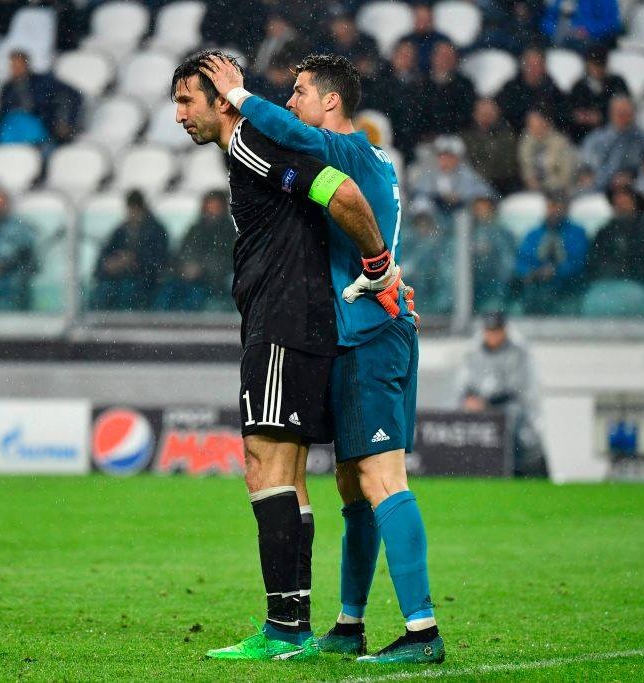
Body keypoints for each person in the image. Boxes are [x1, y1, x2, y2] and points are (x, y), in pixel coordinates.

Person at [200, 52, 439, 665]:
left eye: (301, 91)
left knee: (383, 478)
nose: (292, 101)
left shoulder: (353, 152)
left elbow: (295, 137)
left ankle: (422, 631)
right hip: (350, 334)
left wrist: (239, 95)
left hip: (372, 332)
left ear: (331, 101)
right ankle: (348, 624)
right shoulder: (362, 159)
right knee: (352, 488)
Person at [458, 312, 545, 476]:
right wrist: (470, 398)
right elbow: (464, 382)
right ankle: (466, 469)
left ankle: (513, 470)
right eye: (489, 331)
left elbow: (517, 389)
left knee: (515, 419)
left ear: (504, 330)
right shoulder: (473, 351)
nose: (493, 335)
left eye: (496, 331)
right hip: (478, 407)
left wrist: (487, 403)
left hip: (511, 407)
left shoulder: (518, 351)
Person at [156, 190, 235, 311]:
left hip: (212, 282)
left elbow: (227, 260)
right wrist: (185, 267)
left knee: (194, 298)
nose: (212, 211)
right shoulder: (195, 230)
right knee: (167, 293)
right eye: (209, 206)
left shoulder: (229, 232)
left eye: (216, 207)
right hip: (185, 278)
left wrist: (202, 269)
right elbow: (181, 253)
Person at [92, 190, 169, 311]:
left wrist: (134, 260)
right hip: (118, 279)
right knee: (104, 289)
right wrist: (108, 265)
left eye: (135, 210)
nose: (132, 214)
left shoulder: (155, 231)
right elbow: (104, 258)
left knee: (127, 289)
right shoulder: (121, 231)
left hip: (144, 282)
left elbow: (158, 262)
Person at [515, 192, 589, 314]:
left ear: (566, 209)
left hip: (569, 291)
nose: (554, 211)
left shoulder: (576, 233)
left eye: (558, 207)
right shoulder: (534, 235)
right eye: (551, 206)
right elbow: (521, 261)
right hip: (536, 291)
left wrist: (556, 271)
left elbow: (579, 263)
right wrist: (533, 272)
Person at [0, 50, 81, 145]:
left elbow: (70, 95)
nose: (16, 68)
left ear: (26, 64)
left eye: (19, 64)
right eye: (13, 65)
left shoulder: (44, 82)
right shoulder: (7, 89)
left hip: (46, 133)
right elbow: (3, 115)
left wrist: (64, 121)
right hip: (15, 138)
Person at [581, 96, 644, 191]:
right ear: (611, 114)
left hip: (633, 192)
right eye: (619, 113)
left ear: (633, 114)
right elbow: (585, 167)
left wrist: (632, 176)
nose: (623, 117)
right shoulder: (594, 139)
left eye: (627, 113)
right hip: (598, 192)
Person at [586, 186, 644, 285]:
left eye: (625, 202)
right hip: (608, 284)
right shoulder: (605, 232)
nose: (621, 205)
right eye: (617, 203)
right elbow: (595, 261)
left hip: (640, 286)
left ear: (635, 203)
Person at [411, 135, 496, 213]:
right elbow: (419, 192)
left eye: (451, 157)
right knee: (421, 205)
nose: (446, 161)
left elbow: (482, 189)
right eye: (443, 156)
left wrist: (464, 197)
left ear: (458, 159)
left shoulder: (465, 172)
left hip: (459, 211)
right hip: (435, 211)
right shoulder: (429, 171)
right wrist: (438, 197)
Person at [496, 46, 568, 132]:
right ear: (523, 66)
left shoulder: (553, 90)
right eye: (530, 65)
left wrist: (541, 121)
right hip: (515, 136)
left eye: (537, 65)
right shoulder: (511, 88)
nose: (533, 69)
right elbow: (503, 112)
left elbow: (562, 116)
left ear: (544, 67)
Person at [566, 46, 628, 143]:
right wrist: (579, 116)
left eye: (600, 65)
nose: (597, 69)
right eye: (594, 64)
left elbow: (626, 110)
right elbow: (567, 111)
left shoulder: (617, 83)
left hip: (613, 137)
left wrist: (602, 117)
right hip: (581, 136)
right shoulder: (579, 86)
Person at [461, 98, 520, 195]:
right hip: (474, 185)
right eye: (482, 113)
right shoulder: (466, 138)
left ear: (497, 113)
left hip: (504, 185)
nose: (486, 117)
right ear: (475, 114)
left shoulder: (508, 136)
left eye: (489, 113)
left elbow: (509, 165)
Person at [419, 42, 476, 139]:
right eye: (442, 56)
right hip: (426, 139)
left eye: (449, 56)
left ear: (456, 59)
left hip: (457, 137)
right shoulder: (421, 83)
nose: (445, 60)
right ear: (433, 58)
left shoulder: (465, 85)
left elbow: (467, 114)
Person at [470, 196, 517, 311]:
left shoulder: (503, 234)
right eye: (477, 209)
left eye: (483, 209)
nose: (479, 213)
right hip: (472, 292)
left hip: (495, 292)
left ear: (493, 210)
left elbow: (508, 266)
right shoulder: (468, 233)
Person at [518, 108, 577, 194]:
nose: (532, 127)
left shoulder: (560, 142)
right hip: (533, 189)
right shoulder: (526, 141)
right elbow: (525, 164)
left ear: (545, 122)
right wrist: (530, 179)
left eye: (535, 123)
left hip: (558, 190)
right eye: (530, 124)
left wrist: (551, 187)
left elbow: (566, 174)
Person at [539, 0, 621, 51]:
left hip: (593, 42)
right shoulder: (560, 1)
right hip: (562, 40)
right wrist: (557, 30)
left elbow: (613, 24)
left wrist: (587, 30)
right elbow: (546, 22)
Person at [400, 4, 450, 74]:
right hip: (411, 78)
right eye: (419, 18)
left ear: (431, 19)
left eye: (425, 19)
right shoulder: (405, 40)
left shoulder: (442, 40)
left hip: (435, 79)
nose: (422, 23)